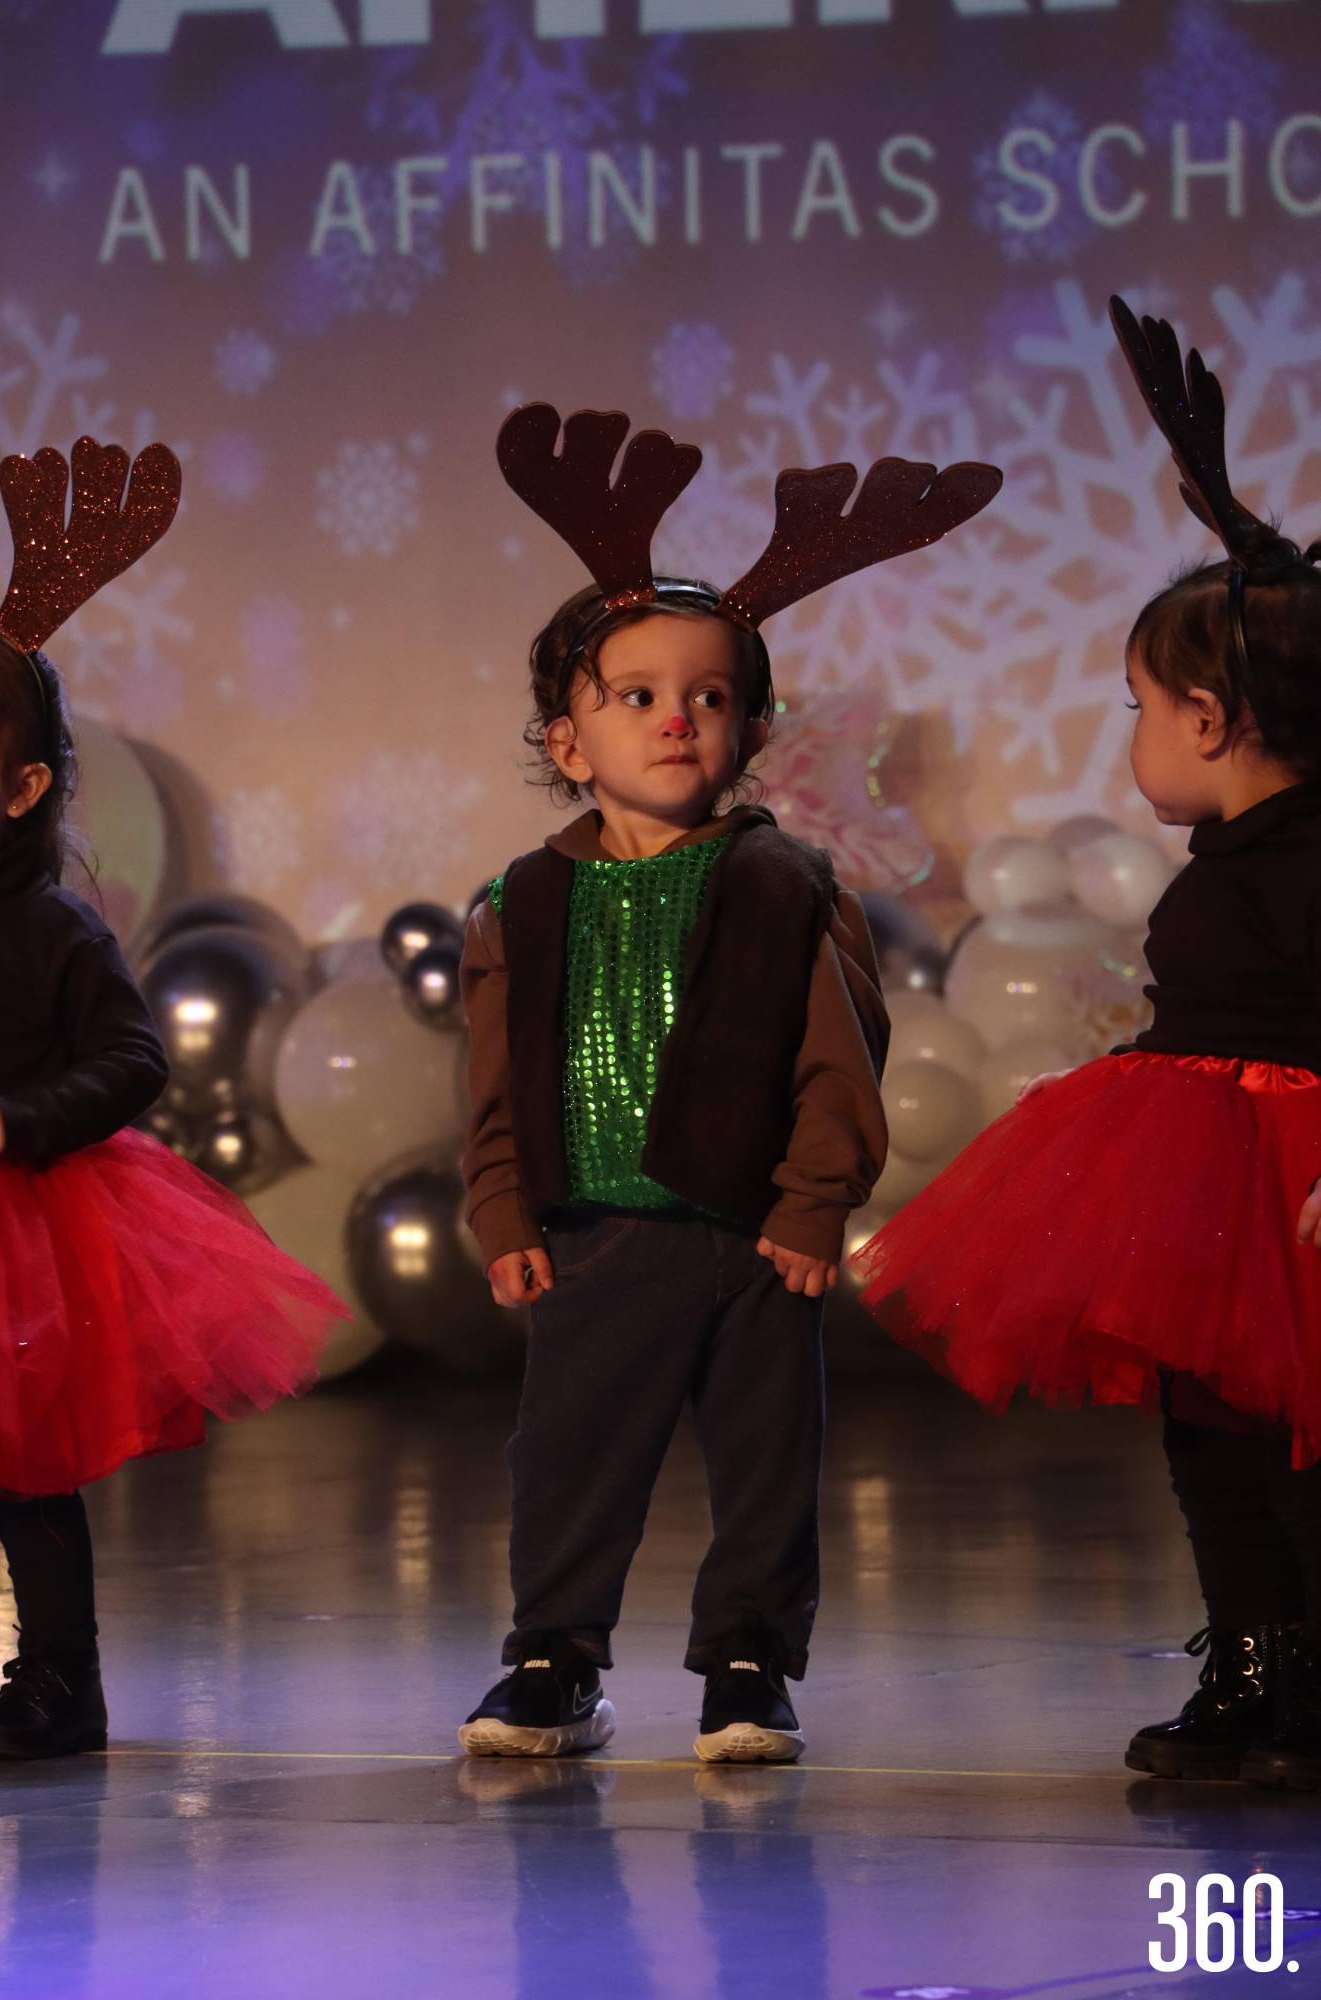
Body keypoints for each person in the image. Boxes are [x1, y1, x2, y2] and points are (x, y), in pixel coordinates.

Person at [457, 403, 1000, 1762]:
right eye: (635, 696)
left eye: (709, 696)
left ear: (749, 727)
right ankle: (552, 1657)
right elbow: (495, 1079)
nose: (676, 720)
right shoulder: (523, 901)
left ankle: (749, 1664)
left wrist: (815, 1202)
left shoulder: (778, 881)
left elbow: (837, 1053)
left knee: (764, 1463)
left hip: (757, 1235)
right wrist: (505, 1212)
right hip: (594, 1231)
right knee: (570, 1453)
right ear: (566, 739)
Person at [852, 298, 1321, 1791]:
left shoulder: (1312, 857)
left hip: (1294, 1177)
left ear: (1210, 714)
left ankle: (1308, 1668)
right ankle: (1250, 1659)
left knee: (1301, 1440)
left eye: (1136, 708)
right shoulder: (1229, 863)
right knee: (1213, 1432)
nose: (1130, 737)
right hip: (1204, 1178)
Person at [0, 437, 346, 1760]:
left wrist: (15, 1121)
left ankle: (59, 1682)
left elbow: (131, 1062)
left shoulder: (52, 932)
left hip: (21, 1233)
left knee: (25, 1477)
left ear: (21, 790)